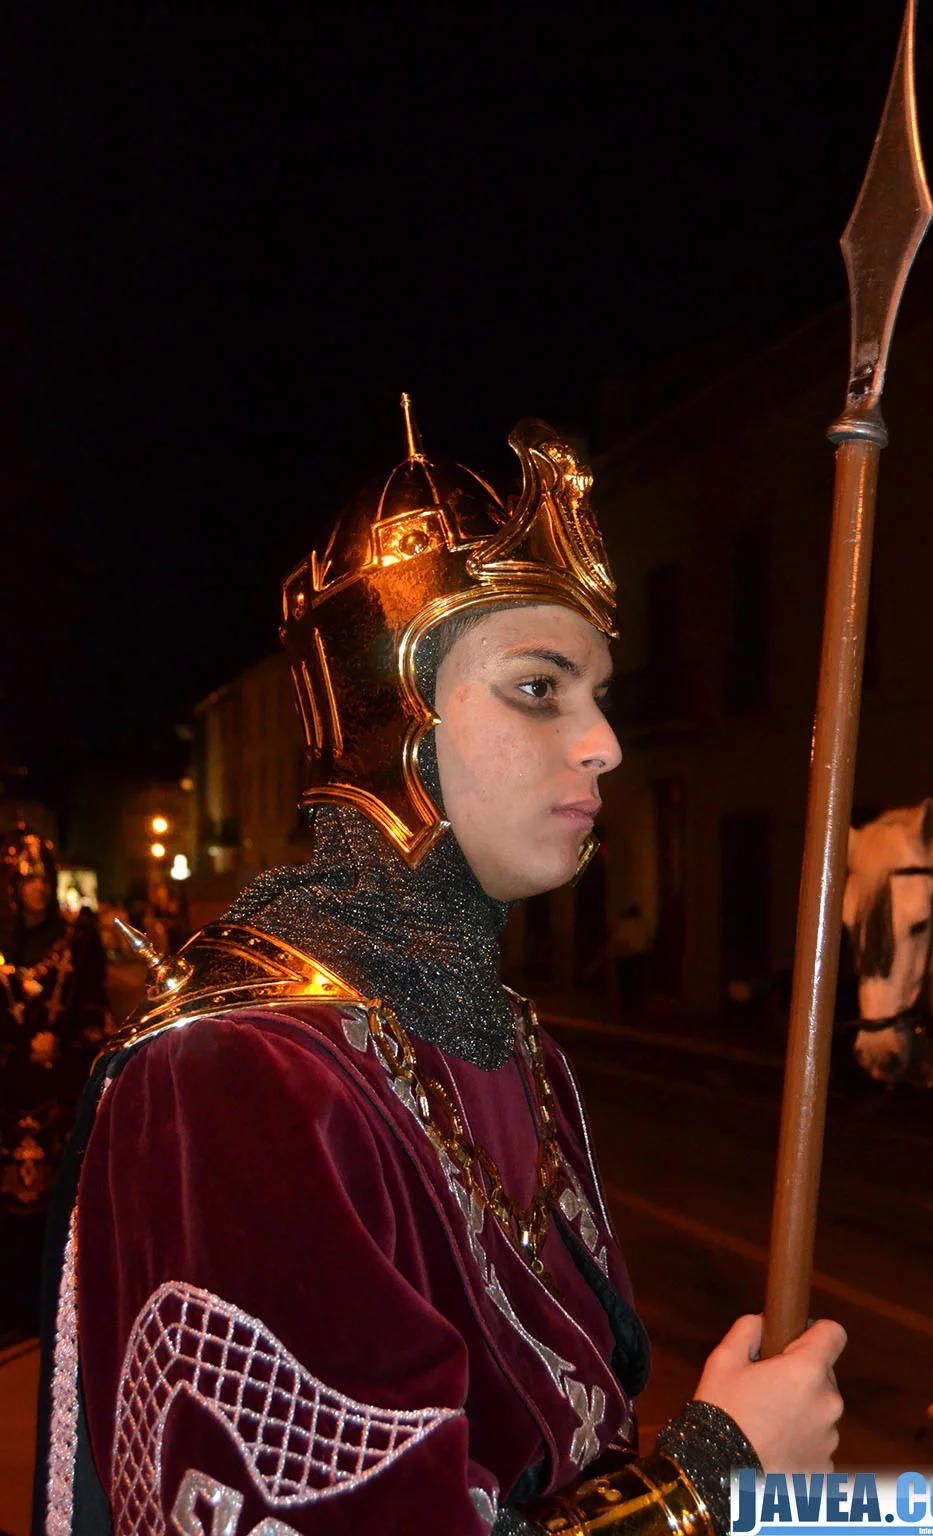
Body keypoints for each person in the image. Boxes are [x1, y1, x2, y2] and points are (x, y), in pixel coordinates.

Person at [34, 406, 844, 1536]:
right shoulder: (236, 1083)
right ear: (394, 718)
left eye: (599, 692)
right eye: (537, 685)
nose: (602, 740)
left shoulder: (519, 1049)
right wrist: (708, 1479)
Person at [0, 825, 110, 1341]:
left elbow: (92, 1013)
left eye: (43, 878)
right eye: (27, 880)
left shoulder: (76, 942)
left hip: (58, 1095)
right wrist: (18, 1050)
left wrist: (63, 1049)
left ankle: (55, 1310)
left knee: (57, 1211)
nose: (37, 888)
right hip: (5, 1094)